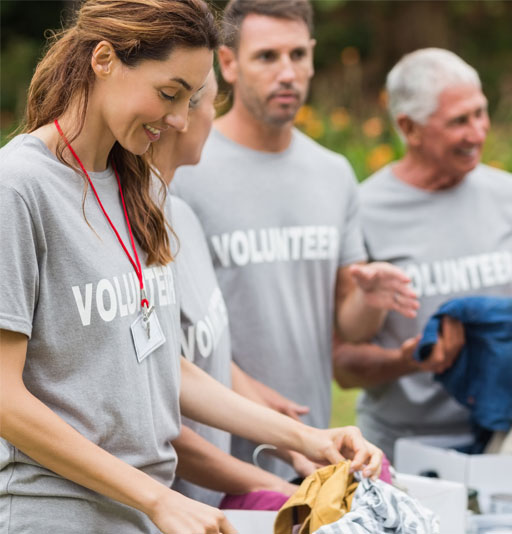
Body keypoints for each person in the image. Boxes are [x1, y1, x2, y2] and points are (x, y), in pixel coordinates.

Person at [0, 2, 381, 533]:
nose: (179, 119)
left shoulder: (138, 187)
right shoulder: (18, 188)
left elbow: (164, 366)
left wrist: (310, 439)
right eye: (168, 93)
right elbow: (4, 398)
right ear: (104, 59)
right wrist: (157, 500)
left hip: (142, 514)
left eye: (189, 99)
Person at [170, 0, 417, 480]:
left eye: (298, 55)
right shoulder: (186, 165)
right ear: (228, 63)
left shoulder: (334, 173)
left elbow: (352, 328)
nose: (287, 73)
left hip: (310, 451)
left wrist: (369, 299)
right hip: (207, 455)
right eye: (267, 57)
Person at [333, 48, 512, 459]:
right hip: (401, 447)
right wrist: (409, 361)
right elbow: (344, 364)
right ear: (409, 127)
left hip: (507, 440)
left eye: (480, 113)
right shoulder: (362, 208)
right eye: (459, 121)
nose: (478, 133)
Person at [151, 72, 299, 506]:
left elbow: (205, 353)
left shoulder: (183, 217)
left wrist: (299, 445)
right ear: (179, 114)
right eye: (213, 105)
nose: (214, 122)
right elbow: (161, 423)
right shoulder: (128, 236)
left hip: (213, 505)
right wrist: (276, 485)